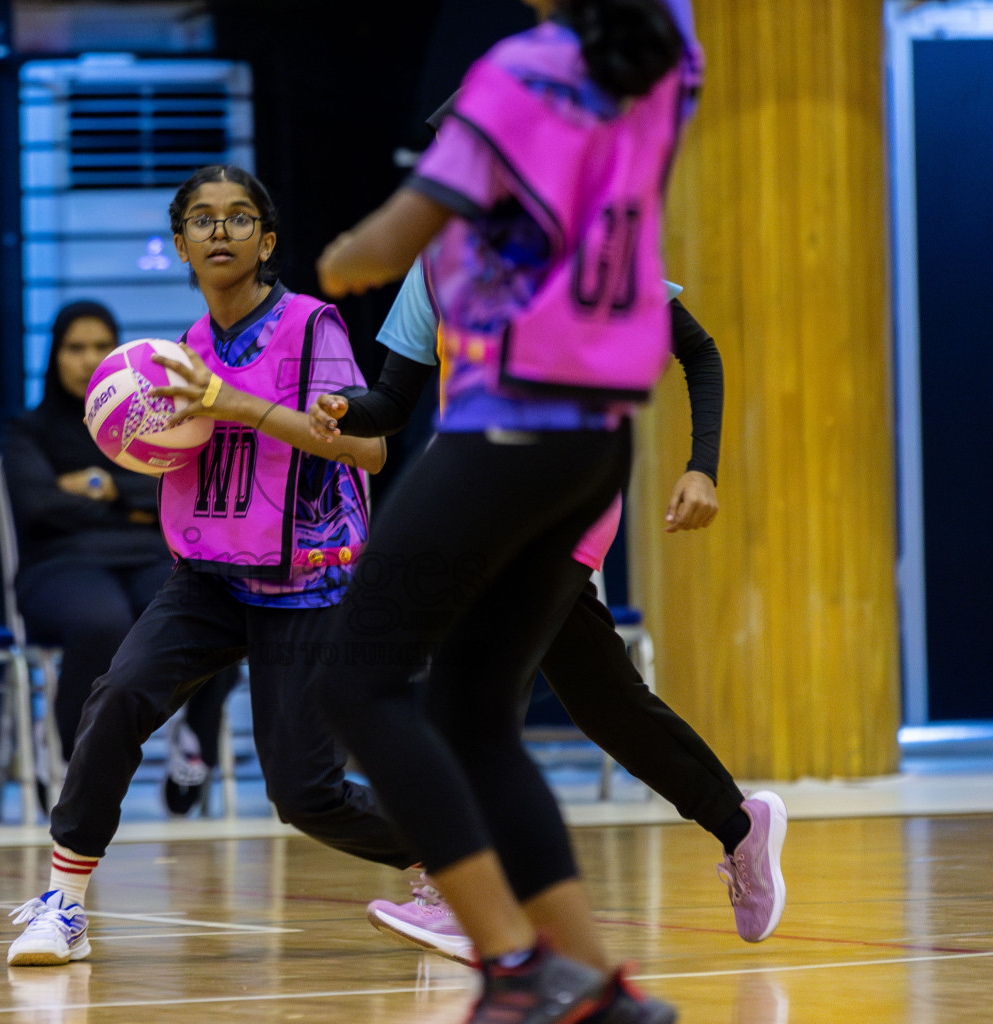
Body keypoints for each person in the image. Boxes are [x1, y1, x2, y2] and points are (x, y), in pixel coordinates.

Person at [309, 1, 702, 1021]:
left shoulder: (519, 70)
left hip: (512, 423)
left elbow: (392, 235)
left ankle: (514, 968)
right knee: (473, 711)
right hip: (596, 437)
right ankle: (594, 985)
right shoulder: (664, 63)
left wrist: (348, 251)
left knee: (356, 682)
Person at [5, 164, 419, 967]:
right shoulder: (182, 348)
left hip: (306, 582)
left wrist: (240, 409)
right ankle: (64, 901)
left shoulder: (309, 328)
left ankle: (444, 856)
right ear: (181, 246)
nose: (219, 231)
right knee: (119, 693)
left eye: (237, 219)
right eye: (202, 220)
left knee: (303, 795)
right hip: (208, 576)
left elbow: (368, 449)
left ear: (265, 242)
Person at [316, 265, 786, 961]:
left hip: (562, 491)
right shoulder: (434, 264)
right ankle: (737, 822)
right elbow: (392, 398)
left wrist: (701, 467)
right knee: (605, 702)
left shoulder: (578, 233)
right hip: (468, 494)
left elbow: (698, 351)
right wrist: (344, 410)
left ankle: (469, 898)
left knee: (469, 699)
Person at [1, 300, 238, 816]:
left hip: (146, 556)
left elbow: (167, 487)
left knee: (214, 610)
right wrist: (126, 498)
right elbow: (36, 505)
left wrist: (101, 491)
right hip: (59, 568)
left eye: (101, 347)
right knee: (103, 622)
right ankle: (65, 752)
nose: (89, 360)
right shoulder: (29, 431)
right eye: (75, 347)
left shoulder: (153, 421)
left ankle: (194, 741)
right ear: (53, 356)